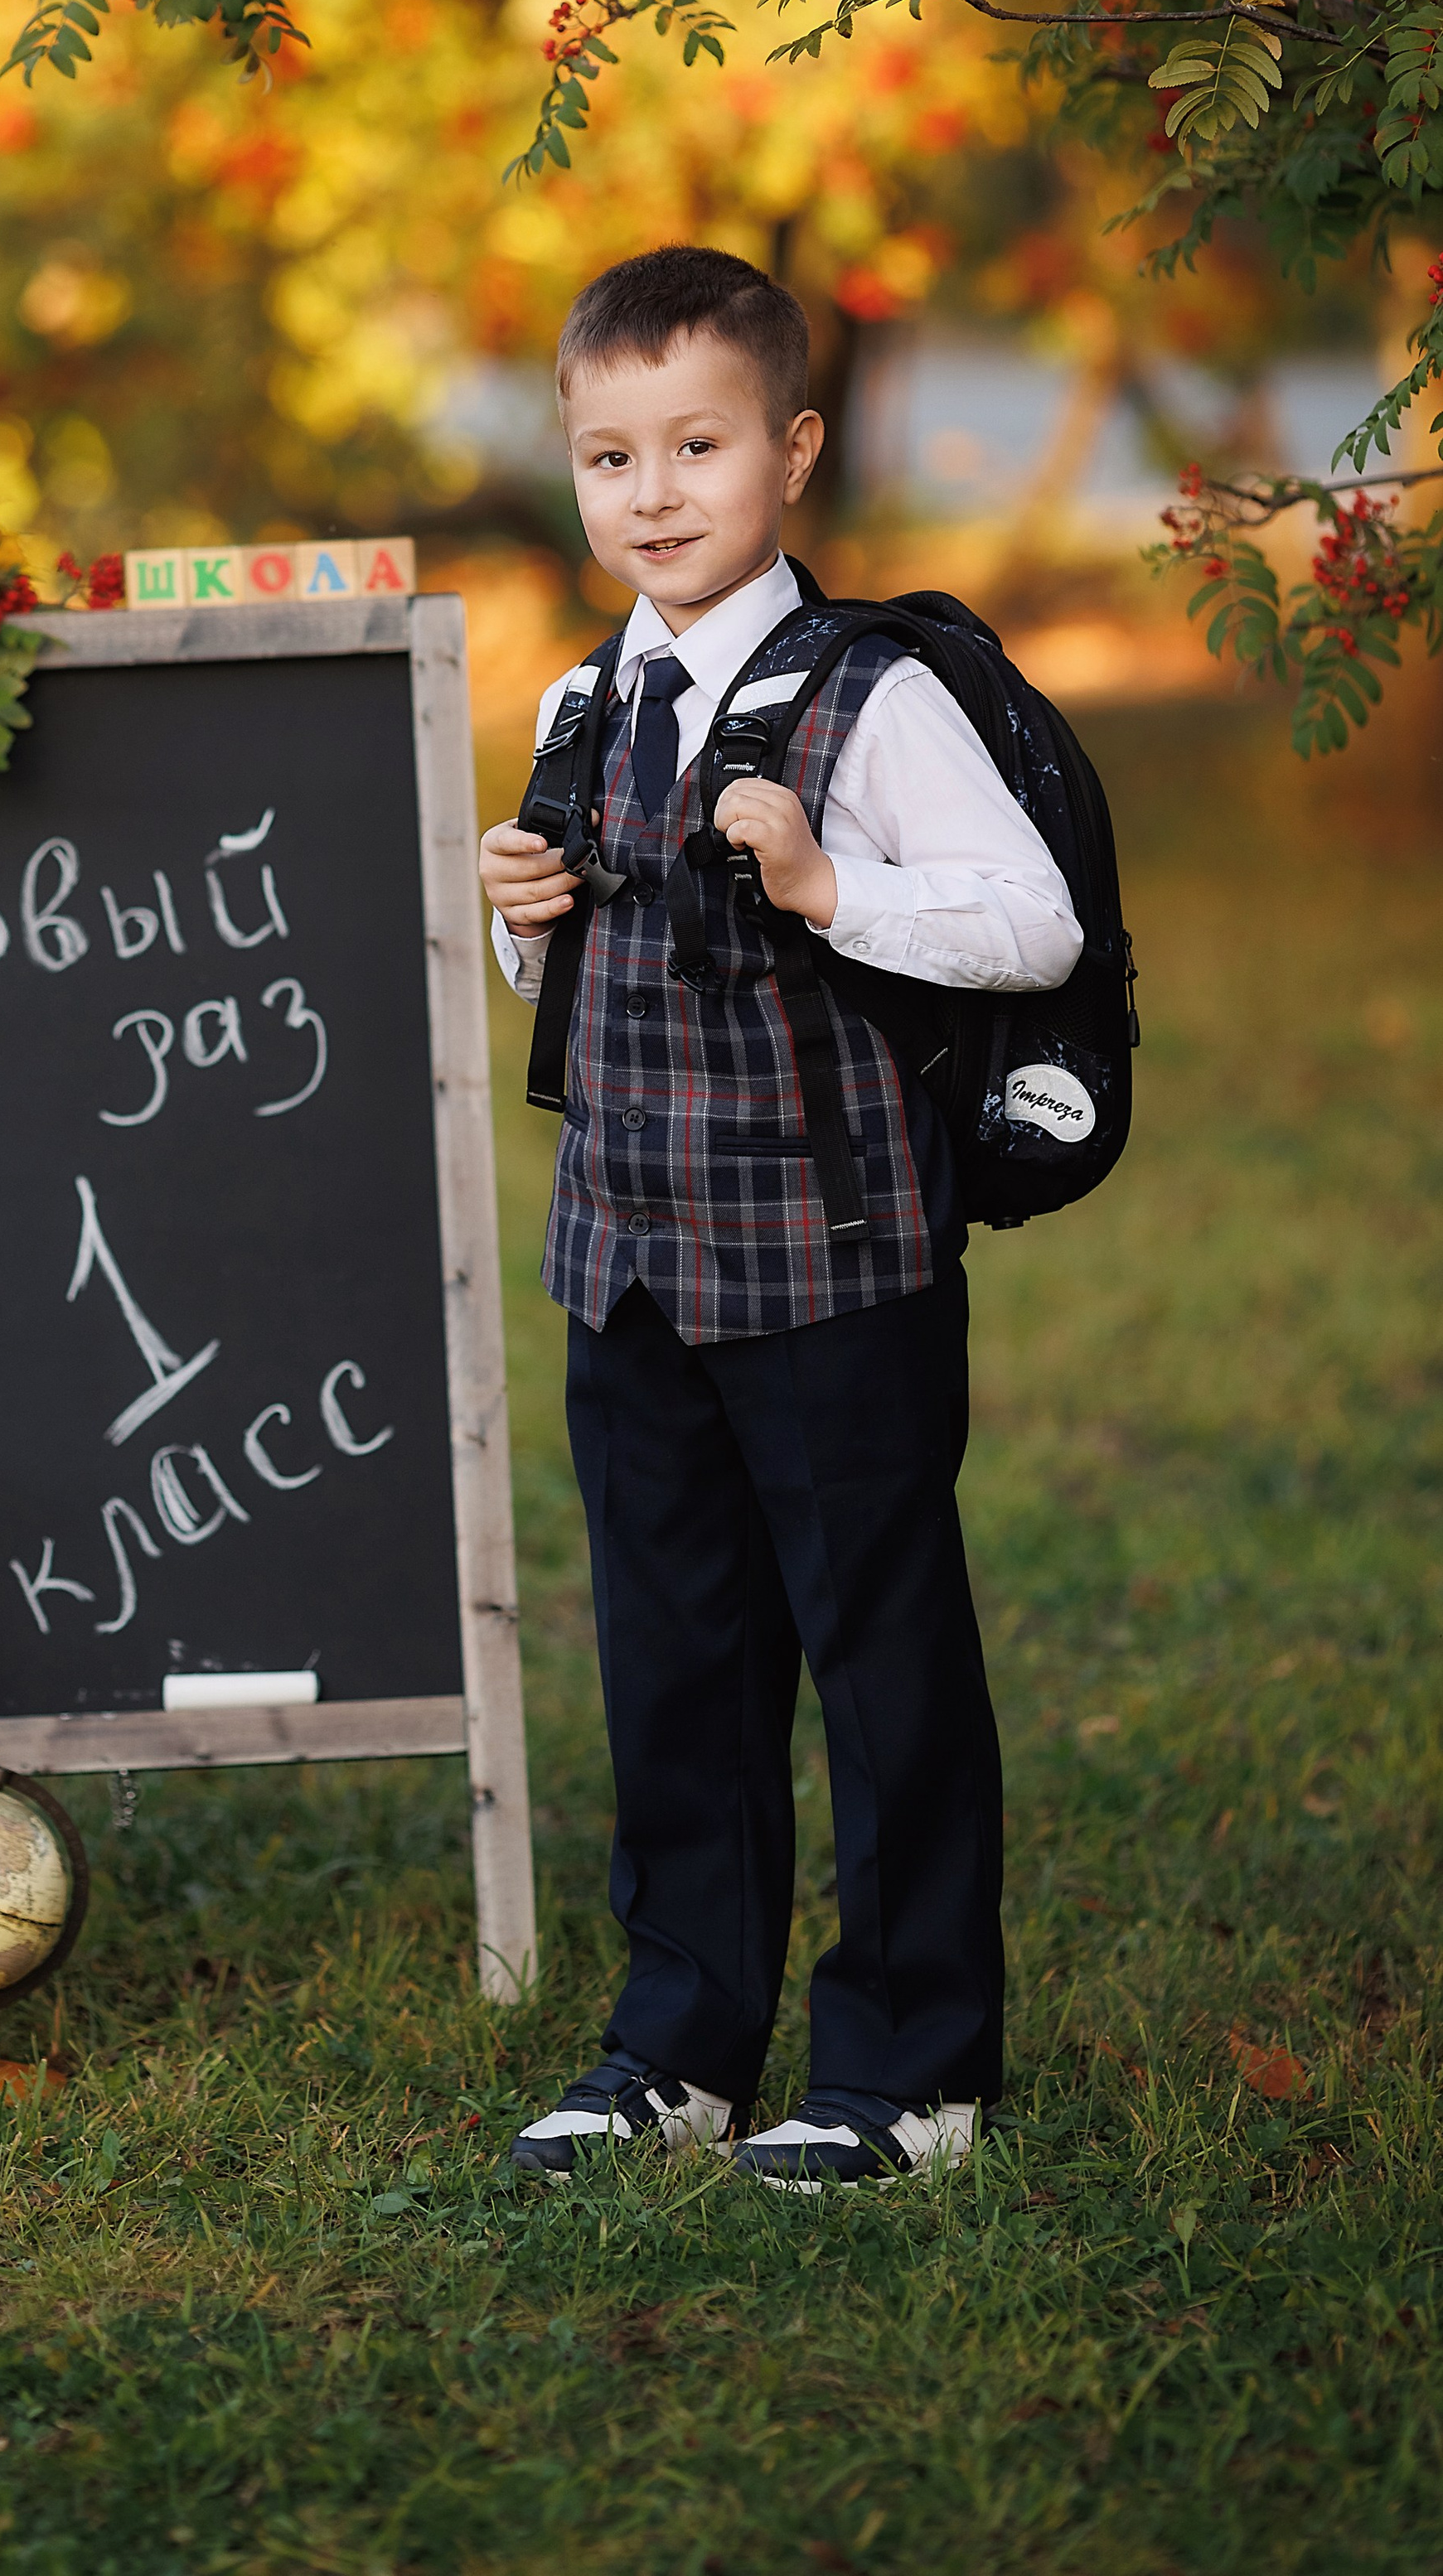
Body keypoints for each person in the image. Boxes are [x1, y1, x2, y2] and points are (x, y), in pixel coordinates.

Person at [479, 245, 1082, 2188]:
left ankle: (909, 2067)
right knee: (673, 1661)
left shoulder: (872, 694)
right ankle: (678, 2045)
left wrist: (830, 889)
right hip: (629, 1270)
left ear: (792, 450)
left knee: (876, 1659)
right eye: (609, 456)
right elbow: (582, 980)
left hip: (834, 1271)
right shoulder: (582, 701)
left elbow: (1030, 921)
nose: (651, 494)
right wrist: (523, 919)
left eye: (697, 446)